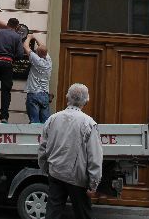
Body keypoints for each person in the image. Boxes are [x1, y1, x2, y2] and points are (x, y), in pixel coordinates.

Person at [38, 83, 103, 219]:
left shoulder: (52, 119)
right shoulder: (89, 123)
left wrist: (46, 169)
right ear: (86, 100)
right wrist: (93, 184)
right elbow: (94, 157)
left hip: (55, 173)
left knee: (52, 213)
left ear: (67, 97)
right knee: (83, 214)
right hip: (77, 178)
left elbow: (43, 148)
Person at [0, 17, 23, 123]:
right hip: (7, 64)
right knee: (6, 91)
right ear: (17, 26)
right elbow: (20, 55)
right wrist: (12, 58)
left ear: (7, 24)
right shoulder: (17, 37)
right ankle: (4, 117)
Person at [23, 35, 52, 123]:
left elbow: (25, 47)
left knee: (34, 122)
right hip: (45, 95)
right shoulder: (49, 61)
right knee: (45, 123)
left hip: (34, 94)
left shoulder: (37, 60)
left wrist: (29, 37)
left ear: (38, 53)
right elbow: (43, 47)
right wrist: (35, 38)